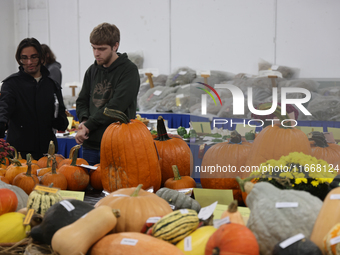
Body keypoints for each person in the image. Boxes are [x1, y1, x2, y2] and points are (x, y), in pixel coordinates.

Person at [75, 22, 140, 166]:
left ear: (115, 46)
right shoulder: (91, 70)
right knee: (89, 187)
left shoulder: (129, 70)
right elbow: (81, 101)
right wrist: (85, 121)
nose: (96, 53)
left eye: (101, 49)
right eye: (93, 48)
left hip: (117, 145)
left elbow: (115, 107)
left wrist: (88, 126)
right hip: (90, 145)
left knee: (117, 188)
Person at [0, 38, 69, 160]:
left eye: (34, 57)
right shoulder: (11, 84)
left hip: (47, 152)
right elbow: (4, 107)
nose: (29, 62)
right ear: (19, 59)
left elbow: (62, 118)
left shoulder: (52, 85)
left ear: (41, 58)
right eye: (24, 58)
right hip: (19, 154)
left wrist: (59, 120)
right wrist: (2, 122)